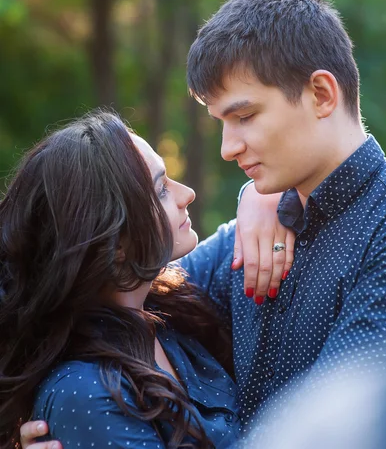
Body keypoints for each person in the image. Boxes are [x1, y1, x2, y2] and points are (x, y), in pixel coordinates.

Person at [22, 0, 386, 447]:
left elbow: (345, 430)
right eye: (220, 124)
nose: (227, 148)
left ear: (321, 94)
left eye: (244, 117)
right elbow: (83, 291)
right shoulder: (243, 243)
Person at [0, 110, 242, 449]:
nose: (186, 194)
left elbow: (241, 233)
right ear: (114, 245)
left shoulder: (165, 301)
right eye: (161, 190)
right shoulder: (86, 394)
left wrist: (256, 198)